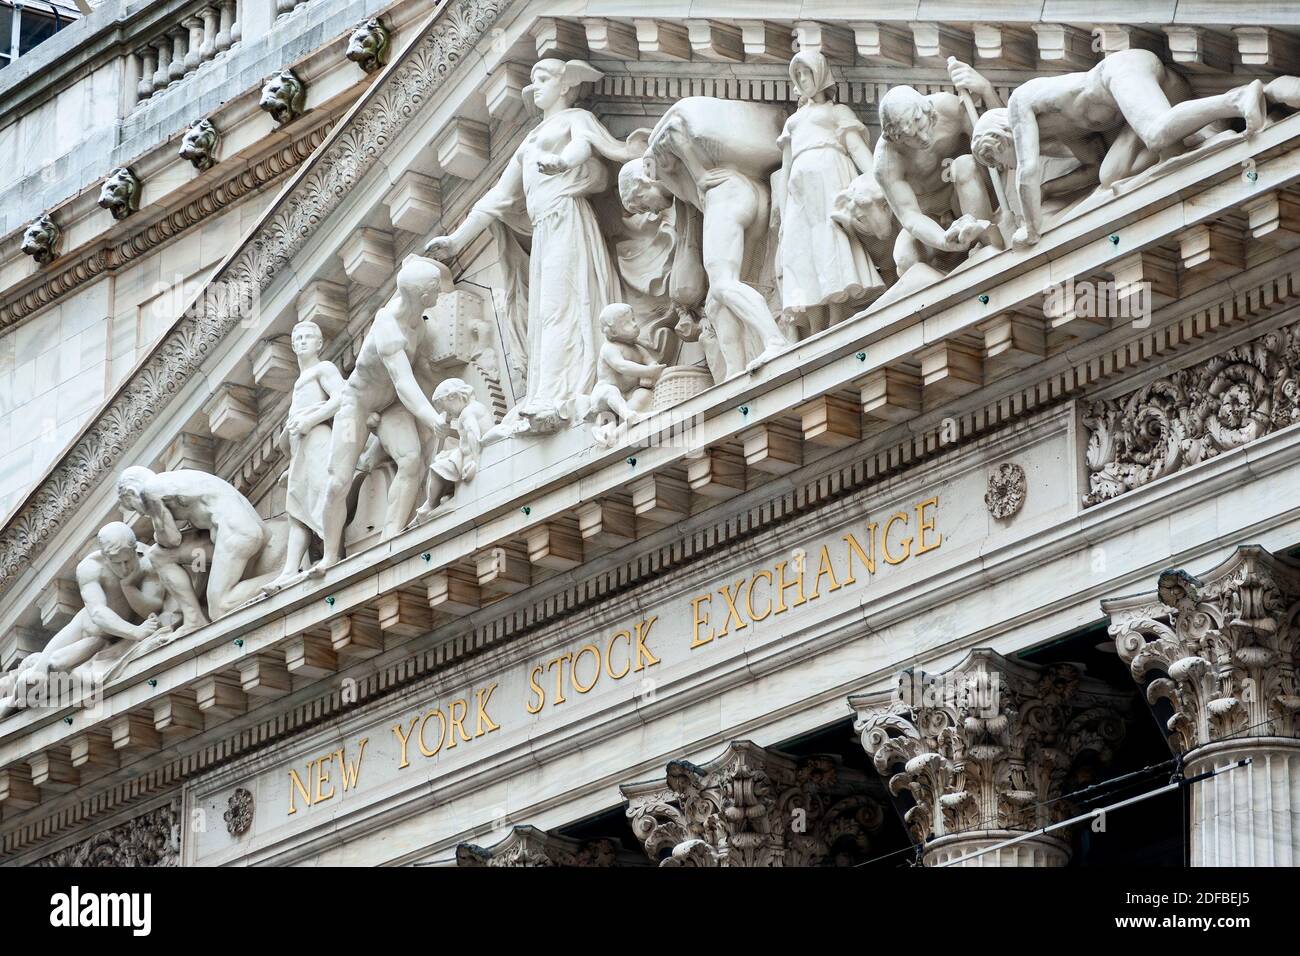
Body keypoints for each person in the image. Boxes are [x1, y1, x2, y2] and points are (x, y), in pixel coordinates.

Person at [424, 59, 646, 433]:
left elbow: (583, 147)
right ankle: (545, 390)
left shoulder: (573, 118)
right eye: (532, 81)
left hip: (567, 218)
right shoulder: (527, 143)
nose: (536, 87)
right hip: (546, 229)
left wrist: (561, 163)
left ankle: (562, 392)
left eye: (543, 79)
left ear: (564, 85)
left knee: (562, 305)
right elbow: (496, 197)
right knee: (544, 313)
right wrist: (457, 240)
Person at [999, 50, 1265, 247]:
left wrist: (1032, 229)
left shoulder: (1019, 105)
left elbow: (1028, 170)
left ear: (1000, 136)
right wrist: (1049, 190)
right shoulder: (1063, 130)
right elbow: (1094, 170)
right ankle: (1217, 126)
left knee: (1155, 132)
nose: (1001, 166)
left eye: (992, 154)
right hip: (1159, 89)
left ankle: (1236, 100)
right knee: (1139, 168)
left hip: (1123, 71)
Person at [314, 255, 452, 573]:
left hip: (389, 406)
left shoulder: (413, 306)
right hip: (358, 406)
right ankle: (329, 555)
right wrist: (433, 419)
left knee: (412, 459)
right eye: (434, 291)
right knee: (337, 481)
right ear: (422, 296)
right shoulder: (389, 328)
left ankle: (390, 537)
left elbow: (417, 266)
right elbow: (404, 383)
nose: (439, 295)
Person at [0, 523, 173, 719]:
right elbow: (98, 613)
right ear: (105, 556)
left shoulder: (149, 562)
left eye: (128, 560)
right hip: (86, 631)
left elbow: (151, 608)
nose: (124, 568)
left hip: (108, 640)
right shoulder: (91, 567)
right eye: (117, 562)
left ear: (135, 549)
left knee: (52, 672)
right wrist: (136, 632)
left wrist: (128, 585)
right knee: (39, 674)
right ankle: (9, 702)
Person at [775, 50, 884, 332]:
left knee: (830, 240)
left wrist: (877, 179)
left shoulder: (837, 112)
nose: (802, 79)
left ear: (820, 74)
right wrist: (783, 214)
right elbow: (785, 169)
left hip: (830, 178)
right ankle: (815, 323)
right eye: (797, 75)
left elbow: (857, 149)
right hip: (800, 192)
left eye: (806, 72)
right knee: (800, 249)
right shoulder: (793, 122)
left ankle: (837, 313)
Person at [873, 59, 1004, 277]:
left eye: (923, 127)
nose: (924, 138)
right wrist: (943, 240)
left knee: (963, 164)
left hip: (972, 194)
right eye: (911, 137)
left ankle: (986, 243)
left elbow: (1001, 140)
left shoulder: (949, 108)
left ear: (928, 110)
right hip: (931, 219)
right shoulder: (886, 162)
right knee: (905, 257)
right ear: (895, 138)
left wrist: (986, 90)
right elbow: (911, 217)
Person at [116, 465, 269, 634]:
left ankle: (282, 575)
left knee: (220, 607)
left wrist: (156, 520)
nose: (140, 513)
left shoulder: (151, 489)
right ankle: (194, 619)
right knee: (158, 555)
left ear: (132, 492)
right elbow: (171, 547)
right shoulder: (174, 482)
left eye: (133, 507)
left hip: (237, 534)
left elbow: (171, 539)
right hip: (229, 536)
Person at [263, 320, 345, 594]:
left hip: (318, 439)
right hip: (301, 450)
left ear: (320, 343)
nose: (302, 341)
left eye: (309, 336)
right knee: (296, 510)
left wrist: (310, 421)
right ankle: (289, 571)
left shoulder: (324, 369)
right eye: (297, 337)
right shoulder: (300, 380)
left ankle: (332, 554)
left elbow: (341, 398)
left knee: (324, 494)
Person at [411, 378, 497, 523]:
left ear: (453, 397)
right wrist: (448, 426)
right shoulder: (476, 407)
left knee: (437, 468)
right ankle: (444, 498)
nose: (447, 413)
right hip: (465, 453)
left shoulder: (467, 413)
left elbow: (472, 433)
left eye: (446, 409)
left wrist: (475, 461)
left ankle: (431, 505)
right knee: (443, 458)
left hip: (470, 456)